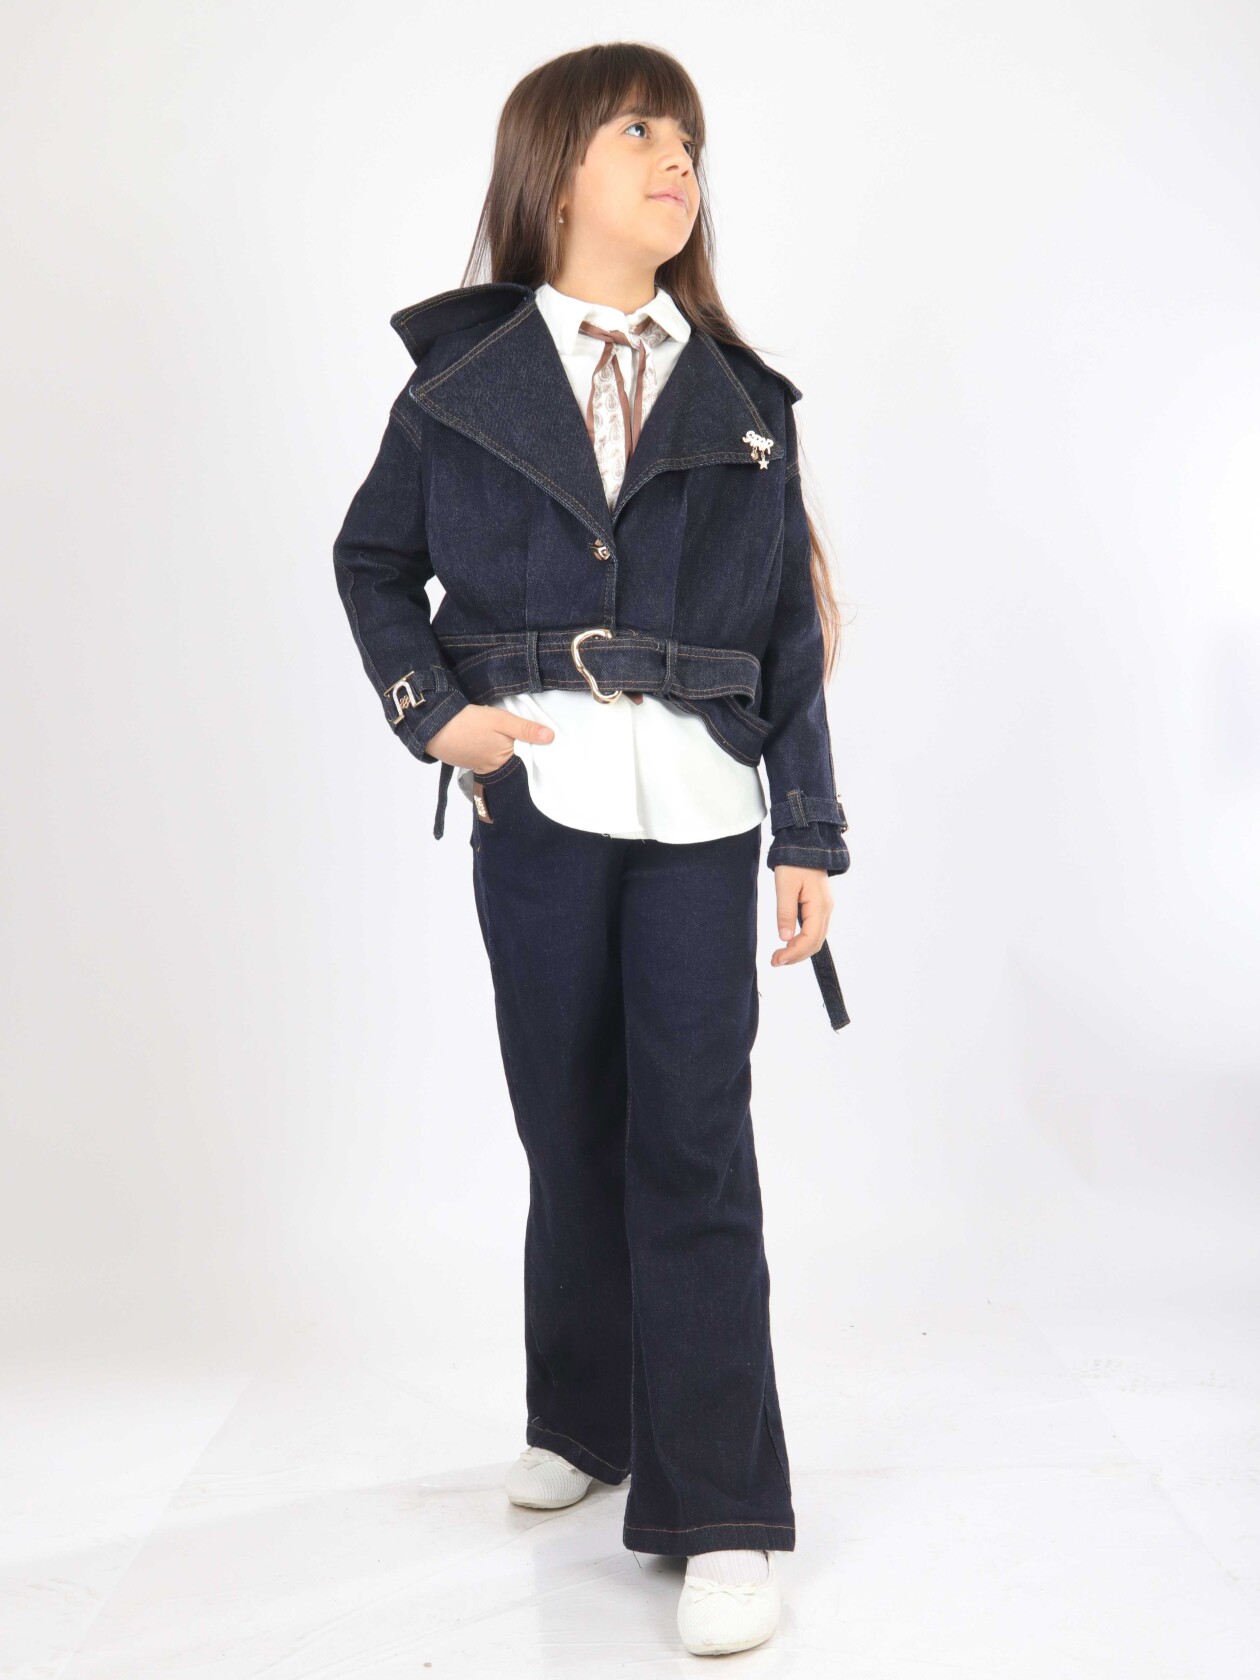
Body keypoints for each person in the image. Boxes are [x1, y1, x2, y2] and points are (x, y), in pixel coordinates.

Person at [331, 41, 852, 1659]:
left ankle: (721, 1510)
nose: (676, 156)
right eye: (640, 130)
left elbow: (788, 637)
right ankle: (581, 1412)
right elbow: (370, 560)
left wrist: (808, 833)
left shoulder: (747, 404)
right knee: (567, 1125)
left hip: (702, 816)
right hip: (537, 808)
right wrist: (438, 718)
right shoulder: (459, 387)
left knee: (693, 1145)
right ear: (557, 168)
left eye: (687, 136)